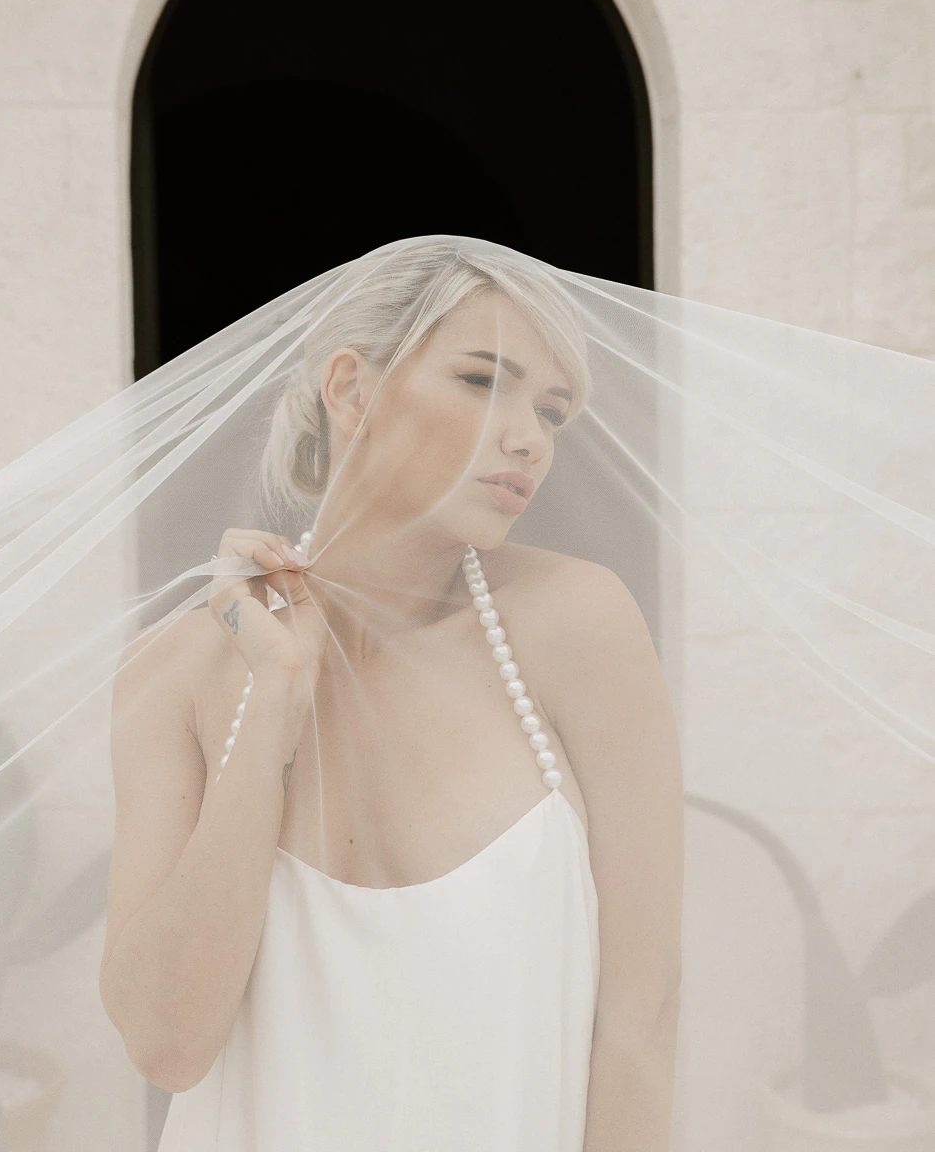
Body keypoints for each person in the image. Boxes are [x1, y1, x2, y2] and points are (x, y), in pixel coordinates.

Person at [98, 242, 683, 1150]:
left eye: (552, 410)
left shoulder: (576, 626)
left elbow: (640, 1022)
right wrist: (275, 700)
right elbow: (167, 1046)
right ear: (351, 388)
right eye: (484, 380)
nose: (530, 437)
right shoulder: (174, 673)